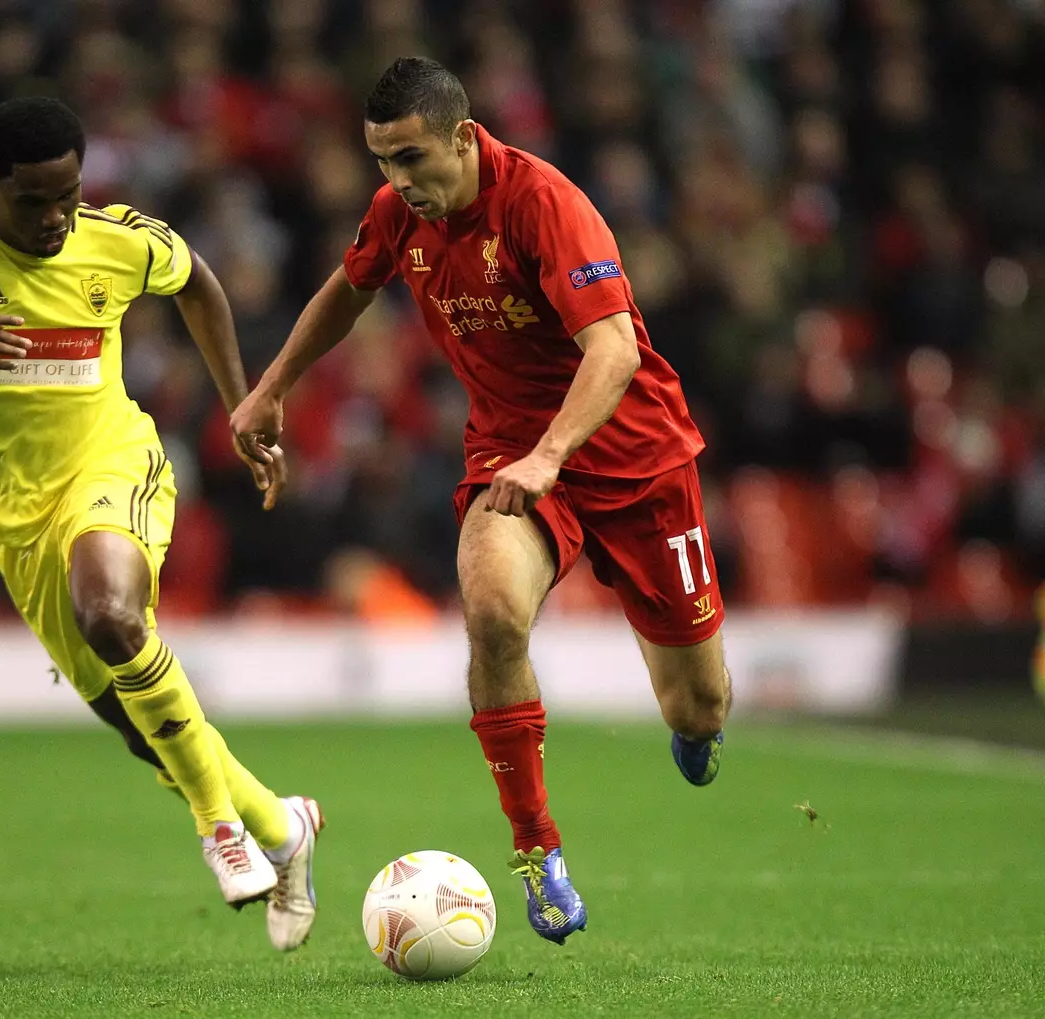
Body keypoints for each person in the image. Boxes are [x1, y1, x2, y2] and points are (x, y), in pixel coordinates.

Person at [232, 57, 732, 945]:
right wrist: (274, 385)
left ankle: (694, 729)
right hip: (513, 457)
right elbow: (349, 289)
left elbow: (612, 352)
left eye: (413, 157)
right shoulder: (398, 214)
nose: (398, 181)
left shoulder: (543, 202)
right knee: (493, 611)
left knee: (700, 705)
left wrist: (551, 454)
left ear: (463, 137)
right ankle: (538, 849)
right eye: (382, 161)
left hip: (638, 458)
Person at [0, 97, 323, 952]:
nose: (57, 217)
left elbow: (197, 279)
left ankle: (219, 829)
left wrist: (244, 409)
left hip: (115, 463)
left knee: (113, 615)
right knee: (136, 727)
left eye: (69, 195)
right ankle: (282, 824)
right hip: (16, 515)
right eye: (35, 201)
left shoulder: (117, 236)